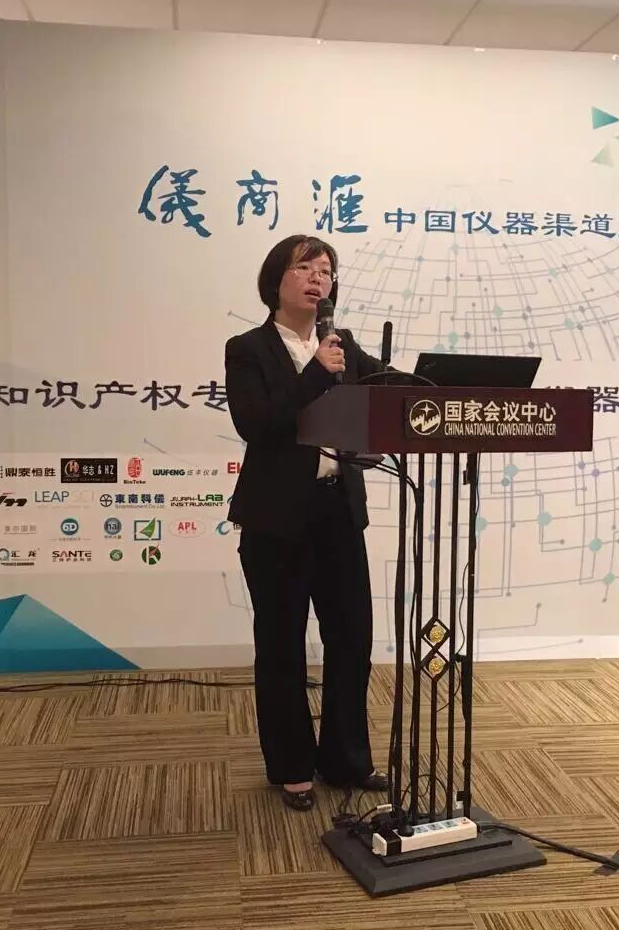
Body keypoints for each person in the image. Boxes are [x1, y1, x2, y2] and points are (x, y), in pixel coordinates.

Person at [224, 233, 389, 812]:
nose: (319, 278)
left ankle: (345, 759)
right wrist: (316, 373)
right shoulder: (248, 348)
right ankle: (292, 766)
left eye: (327, 270)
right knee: (282, 645)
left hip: (338, 512)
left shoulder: (342, 345)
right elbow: (257, 424)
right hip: (276, 520)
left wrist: (443, 385)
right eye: (306, 268)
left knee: (352, 639)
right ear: (277, 279)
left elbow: (388, 389)